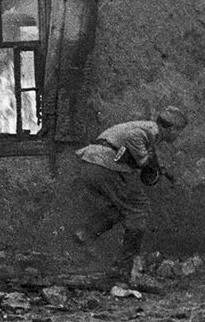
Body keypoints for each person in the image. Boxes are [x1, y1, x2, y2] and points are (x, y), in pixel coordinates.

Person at [71, 106, 189, 284]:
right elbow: (134, 139)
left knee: (123, 206)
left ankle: (86, 233)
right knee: (138, 209)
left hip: (94, 163)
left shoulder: (150, 131)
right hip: (104, 165)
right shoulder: (148, 131)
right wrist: (144, 161)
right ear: (170, 128)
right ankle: (120, 270)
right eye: (178, 132)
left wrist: (156, 168)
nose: (178, 136)